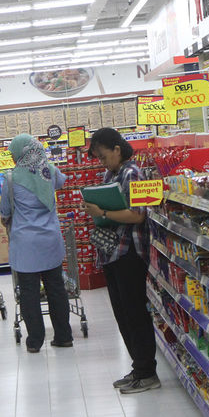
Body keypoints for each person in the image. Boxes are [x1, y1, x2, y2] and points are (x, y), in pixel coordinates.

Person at [82, 128, 158, 393]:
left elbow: (138, 215)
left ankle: (147, 372)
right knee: (122, 314)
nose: (102, 163)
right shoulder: (111, 174)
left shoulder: (133, 173)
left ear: (117, 149)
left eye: (104, 156)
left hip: (130, 254)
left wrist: (102, 210)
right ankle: (138, 367)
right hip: (112, 253)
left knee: (135, 312)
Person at [0, 134, 73, 353]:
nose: (12, 159)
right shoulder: (49, 170)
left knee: (29, 293)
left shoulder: (11, 178)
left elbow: (5, 211)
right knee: (56, 290)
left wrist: (8, 217)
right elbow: (61, 181)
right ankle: (63, 336)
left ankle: (35, 341)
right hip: (50, 240)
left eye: (13, 154)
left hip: (26, 245)